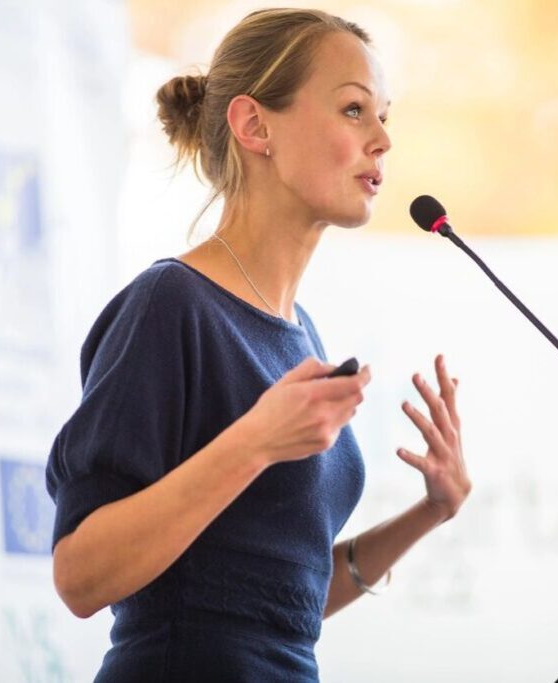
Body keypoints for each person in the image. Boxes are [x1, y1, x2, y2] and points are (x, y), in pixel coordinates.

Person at [45, 8, 471, 681]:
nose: (384, 138)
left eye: (386, 115)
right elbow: (80, 574)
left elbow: (272, 604)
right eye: (355, 109)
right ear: (254, 126)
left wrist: (430, 513)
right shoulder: (171, 305)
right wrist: (256, 442)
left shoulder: (300, 331)